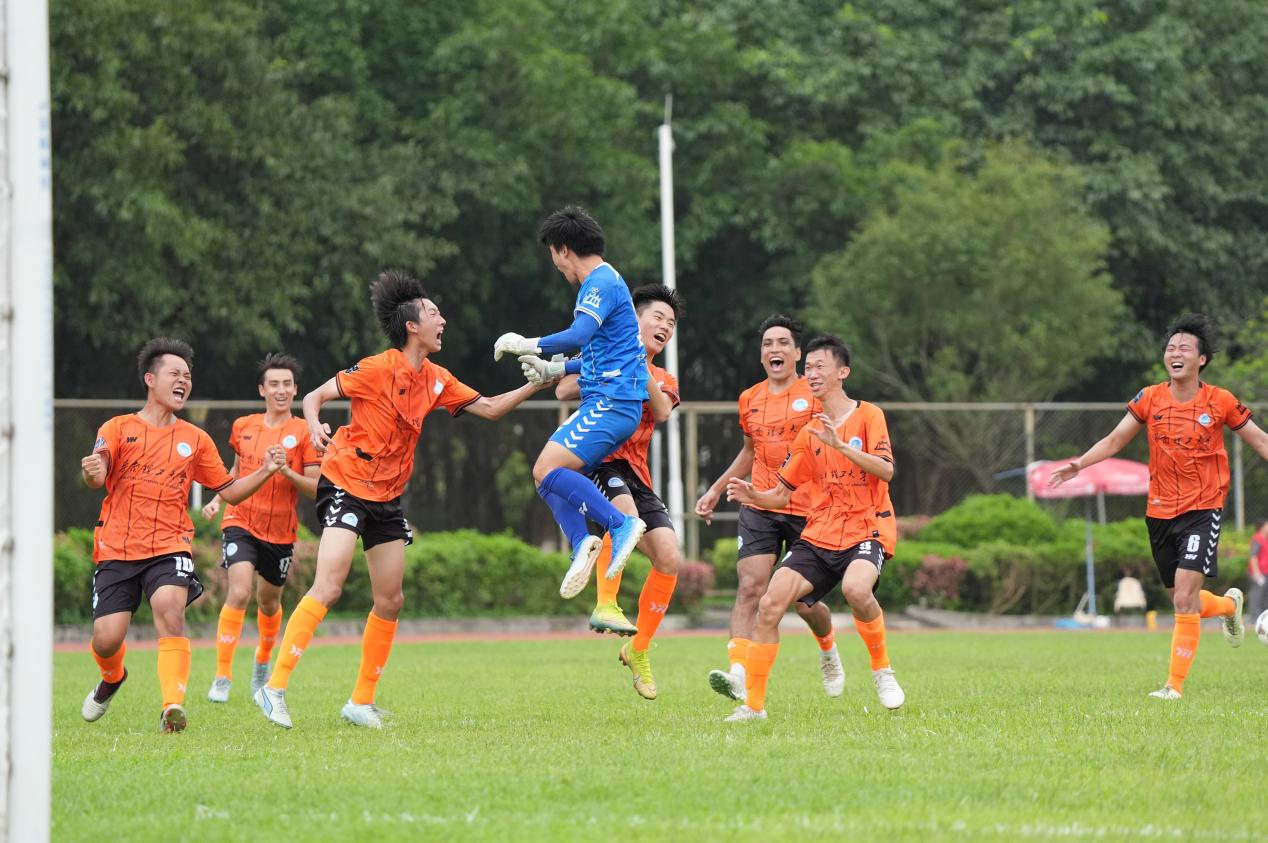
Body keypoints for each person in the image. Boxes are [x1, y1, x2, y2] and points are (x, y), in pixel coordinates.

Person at [254, 271, 548, 730]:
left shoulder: (437, 378)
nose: (442, 320)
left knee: (390, 599)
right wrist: (312, 425)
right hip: (346, 481)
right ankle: (273, 689)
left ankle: (360, 702)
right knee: (329, 585)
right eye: (434, 313)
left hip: (387, 496)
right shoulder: (377, 368)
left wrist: (538, 383)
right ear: (412, 326)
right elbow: (314, 396)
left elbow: (490, 409)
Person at [1049, 313, 1268, 699]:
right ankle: (1228, 608)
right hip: (1160, 512)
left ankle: (1173, 687)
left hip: (1203, 509)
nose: (1175, 354)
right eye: (1170, 348)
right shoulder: (1149, 397)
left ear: (1202, 359)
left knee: (1183, 597)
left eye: (1185, 348)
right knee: (1184, 600)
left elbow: (1261, 441)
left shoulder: (1220, 401)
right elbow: (1115, 440)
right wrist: (1079, 464)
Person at [80, 338, 287, 733]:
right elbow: (98, 474)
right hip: (117, 547)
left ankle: (171, 706)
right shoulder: (118, 428)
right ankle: (112, 677)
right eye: (174, 374)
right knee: (106, 639)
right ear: (150, 379)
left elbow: (229, 492)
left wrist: (265, 470)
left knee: (170, 611)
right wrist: (92, 473)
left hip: (169, 545)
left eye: (188, 376)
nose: (183, 381)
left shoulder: (196, 439)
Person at [722, 334, 903, 721]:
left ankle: (882, 671)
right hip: (820, 532)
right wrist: (753, 494)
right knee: (770, 603)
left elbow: (886, 471)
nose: (812, 374)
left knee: (856, 589)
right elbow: (780, 495)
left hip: (866, 528)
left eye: (820, 367)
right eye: (809, 369)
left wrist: (841, 445)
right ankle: (754, 707)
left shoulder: (869, 415)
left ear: (843, 372)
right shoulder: (809, 433)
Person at [495, 206, 649, 600]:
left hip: (611, 403)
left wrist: (529, 344)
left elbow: (579, 334)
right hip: (612, 402)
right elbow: (602, 353)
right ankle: (582, 544)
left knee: (546, 468)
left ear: (563, 249)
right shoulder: (608, 282)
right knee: (546, 477)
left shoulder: (599, 282)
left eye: (553, 254)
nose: (556, 265)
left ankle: (619, 524)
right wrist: (554, 369)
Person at [694, 315, 845, 702]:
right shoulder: (749, 398)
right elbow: (750, 451)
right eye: (767, 344)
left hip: (809, 509)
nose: (774, 349)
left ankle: (827, 647)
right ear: (762, 355)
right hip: (760, 503)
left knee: (803, 604)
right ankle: (737, 674)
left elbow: (836, 445)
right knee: (750, 588)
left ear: (797, 353)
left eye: (782, 343)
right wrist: (715, 490)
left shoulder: (816, 394)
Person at [550, 284, 683, 700]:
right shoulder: (604, 354)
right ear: (633, 320)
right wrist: (601, 365)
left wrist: (636, 362)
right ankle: (606, 604)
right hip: (599, 459)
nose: (665, 326)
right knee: (626, 516)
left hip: (637, 473)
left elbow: (662, 410)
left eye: (671, 323)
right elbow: (562, 391)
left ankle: (638, 649)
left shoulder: (664, 377)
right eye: (657, 317)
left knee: (669, 558)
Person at [200, 353, 321, 703]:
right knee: (239, 592)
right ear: (262, 389)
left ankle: (262, 663)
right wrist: (217, 500)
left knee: (268, 603)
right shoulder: (244, 426)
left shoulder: (304, 431)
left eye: (287, 384)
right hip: (240, 520)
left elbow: (316, 487)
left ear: (295, 390)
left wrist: (286, 472)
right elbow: (235, 472)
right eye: (274, 384)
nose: (280, 390)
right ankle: (222, 676)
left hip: (280, 532)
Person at [1247, 521, 1268, 622]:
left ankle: (1264, 619)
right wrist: (1257, 574)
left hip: (1266, 572)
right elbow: (1253, 556)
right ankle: (1254, 619)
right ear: (1262, 527)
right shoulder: (1257, 539)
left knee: (1265, 597)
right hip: (1258, 573)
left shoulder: (1265, 539)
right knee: (1257, 596)